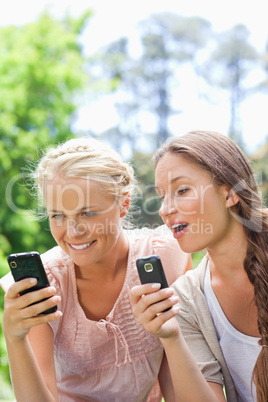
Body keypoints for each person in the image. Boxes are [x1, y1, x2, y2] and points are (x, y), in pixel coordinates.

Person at [0, 137, 192, 402]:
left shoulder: (166, 256)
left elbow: (175, 380)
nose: (73, 232)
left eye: (87, 213)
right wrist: (14, 337)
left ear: (123, 203)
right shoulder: (46, 281)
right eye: (58, 215)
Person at [131, 130, 268, 402]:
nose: (165, 209)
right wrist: (171, 338)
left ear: (230, 193)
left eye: (182, 190)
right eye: (161, 196)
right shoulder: (188, 299)